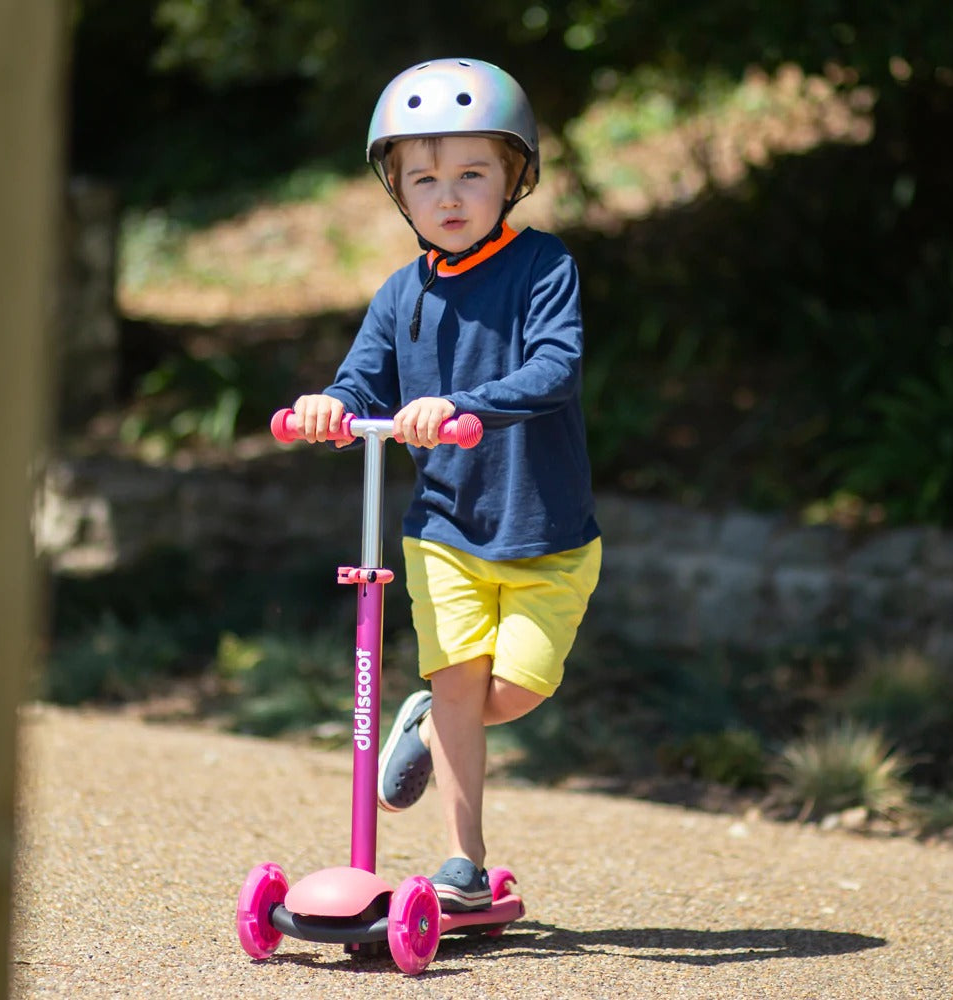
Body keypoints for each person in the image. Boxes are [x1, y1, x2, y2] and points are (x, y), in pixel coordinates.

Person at [291, 57, 601, 913]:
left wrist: (460, 404)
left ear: (515, 176)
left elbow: (556, 370)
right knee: (464, 679)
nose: (449, 196)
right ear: (398, 191)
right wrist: (329, 406)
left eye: (472, 173)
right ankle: (462, 864)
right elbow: (362, 383)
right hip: (444, 532)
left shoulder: (543, 268)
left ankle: (426, 721)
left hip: (548, 531)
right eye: (423, 179)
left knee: (518, 691)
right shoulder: (400, 295)